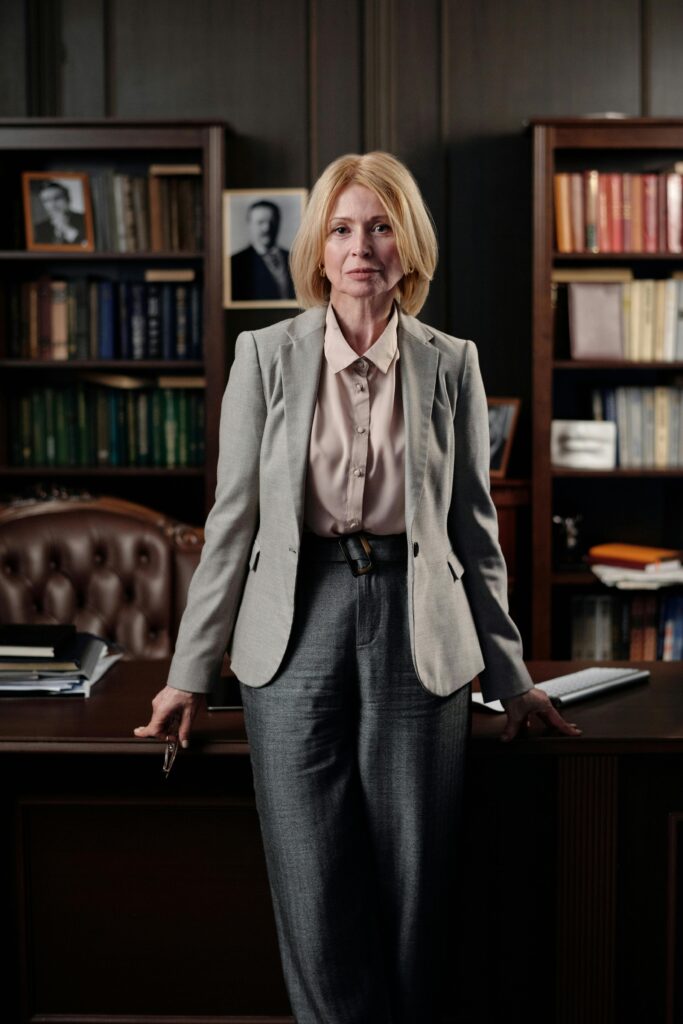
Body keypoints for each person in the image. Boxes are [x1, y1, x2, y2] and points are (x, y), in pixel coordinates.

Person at [134, 151, 581, 1023]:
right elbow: (232, 522)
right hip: (295, 618)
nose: (360, 247)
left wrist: (512, 676)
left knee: (414, 874)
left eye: (379, 227)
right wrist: (189, 673)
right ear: (318, 249)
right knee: (311, 869)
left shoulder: (451, 361)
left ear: (407, 244)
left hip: (419, 619)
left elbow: (472, 535)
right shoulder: (264, 355)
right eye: (341, 229)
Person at [230, 199, 295, 300]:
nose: (267, 228)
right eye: (260, 222)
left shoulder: (295, 258)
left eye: (272, 222)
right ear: (249, 225)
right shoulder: (235, 263)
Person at [33, 180, 86, 245]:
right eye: (46, 200)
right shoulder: (39, 228)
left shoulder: (85, 220)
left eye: (57, 198)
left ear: (68, 198)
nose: (52, 204)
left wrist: (67, 229)